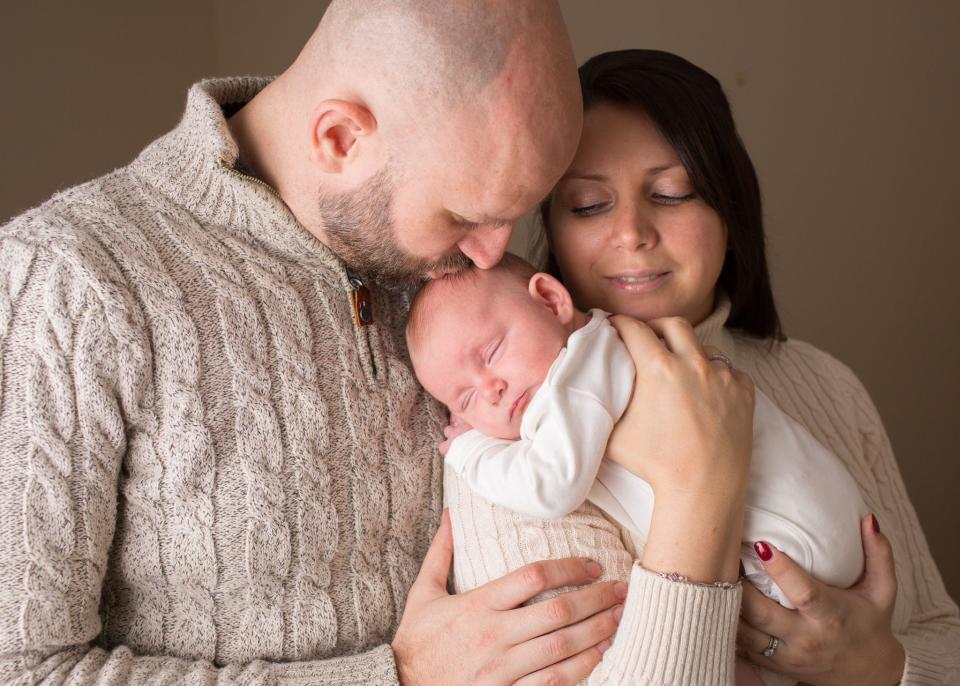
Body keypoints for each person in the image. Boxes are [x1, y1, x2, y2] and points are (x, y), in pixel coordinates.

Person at [0, 3, 763, 684]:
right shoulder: (70, 280)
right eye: (464, 215)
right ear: (340, 138)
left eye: (518, 213)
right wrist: (393, 678)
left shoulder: (463, 263)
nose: (495, 254)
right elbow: (22, 670)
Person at [444, 49, 960, 685]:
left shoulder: (826, 383)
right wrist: (703, 484)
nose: (632, 232)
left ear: (729, 209)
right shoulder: (508, 429)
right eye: (587, 205)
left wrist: (879, 666)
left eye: (672, 193)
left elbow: (940, 628)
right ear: (551, 228)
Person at [407, 253, 869, 615]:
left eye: (493, 351)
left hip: (794, 543)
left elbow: (551, 486)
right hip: (826, 532)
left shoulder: (579, 371)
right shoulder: (606, 352)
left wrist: (469, 449)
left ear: (551, 300)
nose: (491, 391)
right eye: (463, 400)